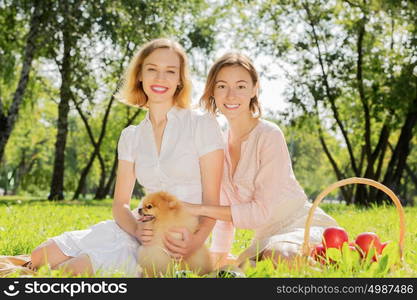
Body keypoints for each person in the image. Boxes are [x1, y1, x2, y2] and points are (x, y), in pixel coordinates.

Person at [29, 38, 224, 276]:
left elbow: (213, 205)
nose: (160, 79)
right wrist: (136, 230)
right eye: (152, 69)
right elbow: (120, 204)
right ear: (140, 74)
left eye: (170, 71)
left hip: (177, 238)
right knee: (40, 256)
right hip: (137, 226)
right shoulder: (131, 136)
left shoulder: (202, 124)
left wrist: (193, 244)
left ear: (180, 79)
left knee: (70, 271)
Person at [184, 52, 338, 268]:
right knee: (239, 269)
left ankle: (339, 271)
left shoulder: (269, 135)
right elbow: (224, 216)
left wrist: (199, 209)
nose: (230, 95)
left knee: (281, 255)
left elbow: (259, 212)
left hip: (300, 224)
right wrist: (217, 259)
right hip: (265, 238)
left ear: (254, 89)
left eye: (240, 86)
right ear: (212, 91)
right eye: (222, 86)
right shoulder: (217, 144)